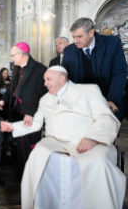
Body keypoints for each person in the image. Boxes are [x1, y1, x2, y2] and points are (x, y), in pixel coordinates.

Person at [11, 66, 126, 209]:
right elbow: (36, 123)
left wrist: (93, 138)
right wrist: (9, 127)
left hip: (90, 139)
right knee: (38, 155)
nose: (45, 83)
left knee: (98, 161)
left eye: (48, 79)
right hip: (56, 141)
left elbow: (105, 116)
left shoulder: (89, 90)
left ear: (62, 78)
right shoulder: (46, 99)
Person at [0, 42, 47, 180]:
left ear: (21, 55)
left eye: (13, 55)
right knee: (20, 145)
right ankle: (23, 173)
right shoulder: (17, 68)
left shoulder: (40, 69)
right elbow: (12, 88)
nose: (12, 58)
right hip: (17, 112)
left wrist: (29, 113)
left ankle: (31, 176)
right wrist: (4, 99)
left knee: (30, 145)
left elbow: (39, 94)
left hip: (30, 114)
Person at [62, 17, 128, 121]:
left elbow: (119, 73)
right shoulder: (68, 51)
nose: (75, 41)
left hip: (107, 102)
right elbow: (64, 78)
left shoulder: (112, 43)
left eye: (79, 36)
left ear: (91, 33)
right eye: (73, 37)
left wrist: (111, 100)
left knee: (103, 135)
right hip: (81, 107)